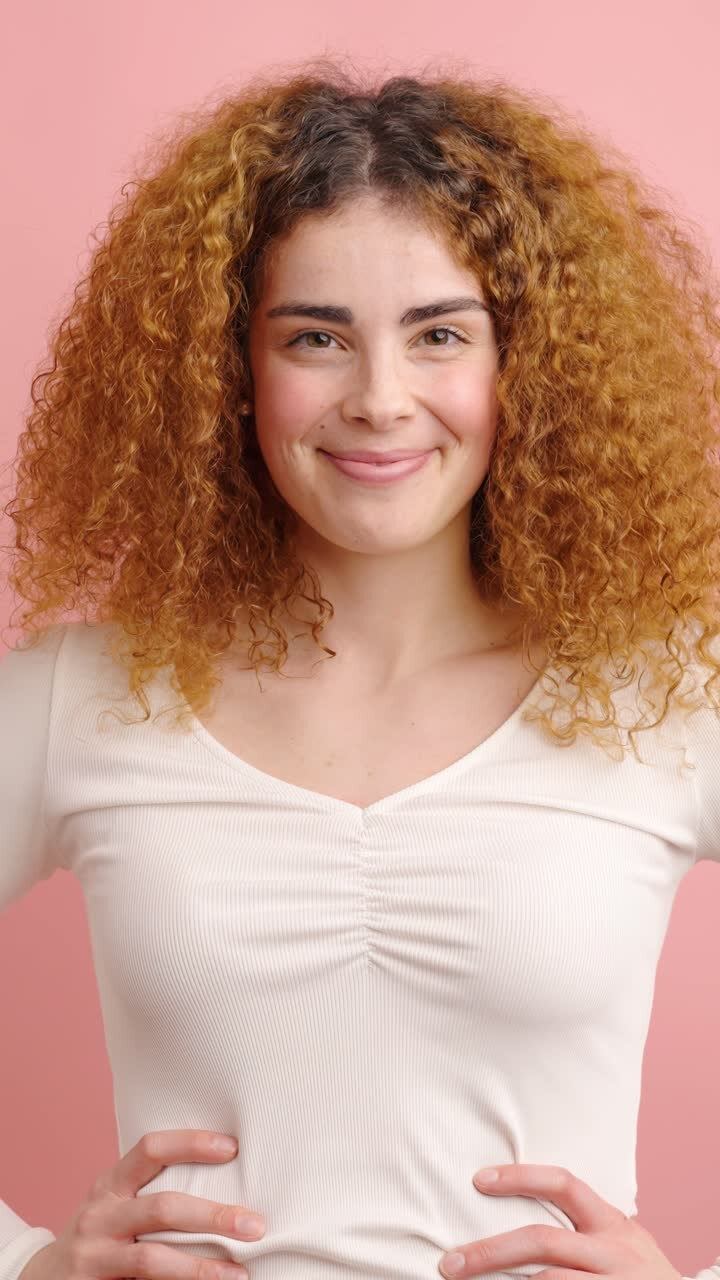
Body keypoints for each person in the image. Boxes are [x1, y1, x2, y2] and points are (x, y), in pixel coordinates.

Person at [2, 55, 720, 1280]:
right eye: (317, 337)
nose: (381, 399)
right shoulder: (79, 694)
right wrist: (26, 1264)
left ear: (525, 365)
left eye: (440, 333)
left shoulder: (673, 697)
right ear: (228, 370)